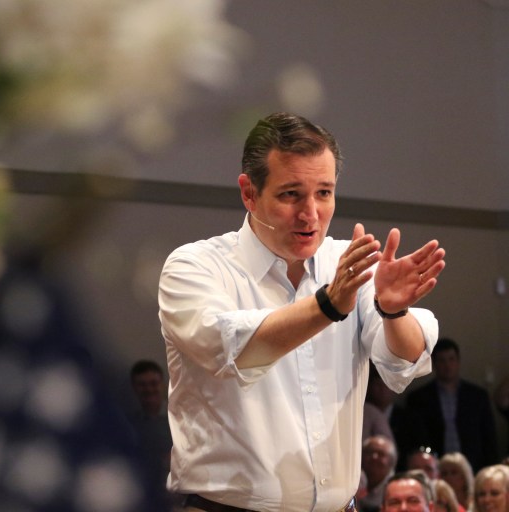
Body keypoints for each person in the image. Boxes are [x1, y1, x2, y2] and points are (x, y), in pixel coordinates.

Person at [157, 112, 446, 511]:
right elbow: (233, 350)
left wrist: (394, 312)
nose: (310, 213)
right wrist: (328, 305)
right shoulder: (195, 266)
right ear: (249, 192)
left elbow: (404, 362)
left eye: (324, 192)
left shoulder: (350, 264)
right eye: (291, 194)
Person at [406, 338, 499, 472]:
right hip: (434, 466)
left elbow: (489, 437)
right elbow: (416, 438)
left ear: (458, 361)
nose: (447, 365)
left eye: (451, 359)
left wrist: (491, 468)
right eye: (442, 360)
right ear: (434, 363)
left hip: (473, 465)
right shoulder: (419, 399)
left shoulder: (477, 396)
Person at [367, 362, 429, 470]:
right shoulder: (363, 415)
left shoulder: (409, 419)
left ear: (393, 388)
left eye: (385, 385)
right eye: (377, 385)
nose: (382, 390)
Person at [127, 359, 173, 500]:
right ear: (134, 387)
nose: (149, 389)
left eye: (153, 383)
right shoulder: (128, 424)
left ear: (162, 384)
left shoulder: (180, 419)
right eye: (142, 384)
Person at [360, 435, 399, 512]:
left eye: (381, 454)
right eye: (370, 452)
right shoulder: (352, 481)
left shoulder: (396, 487)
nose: (374, 457)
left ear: (391, 461)